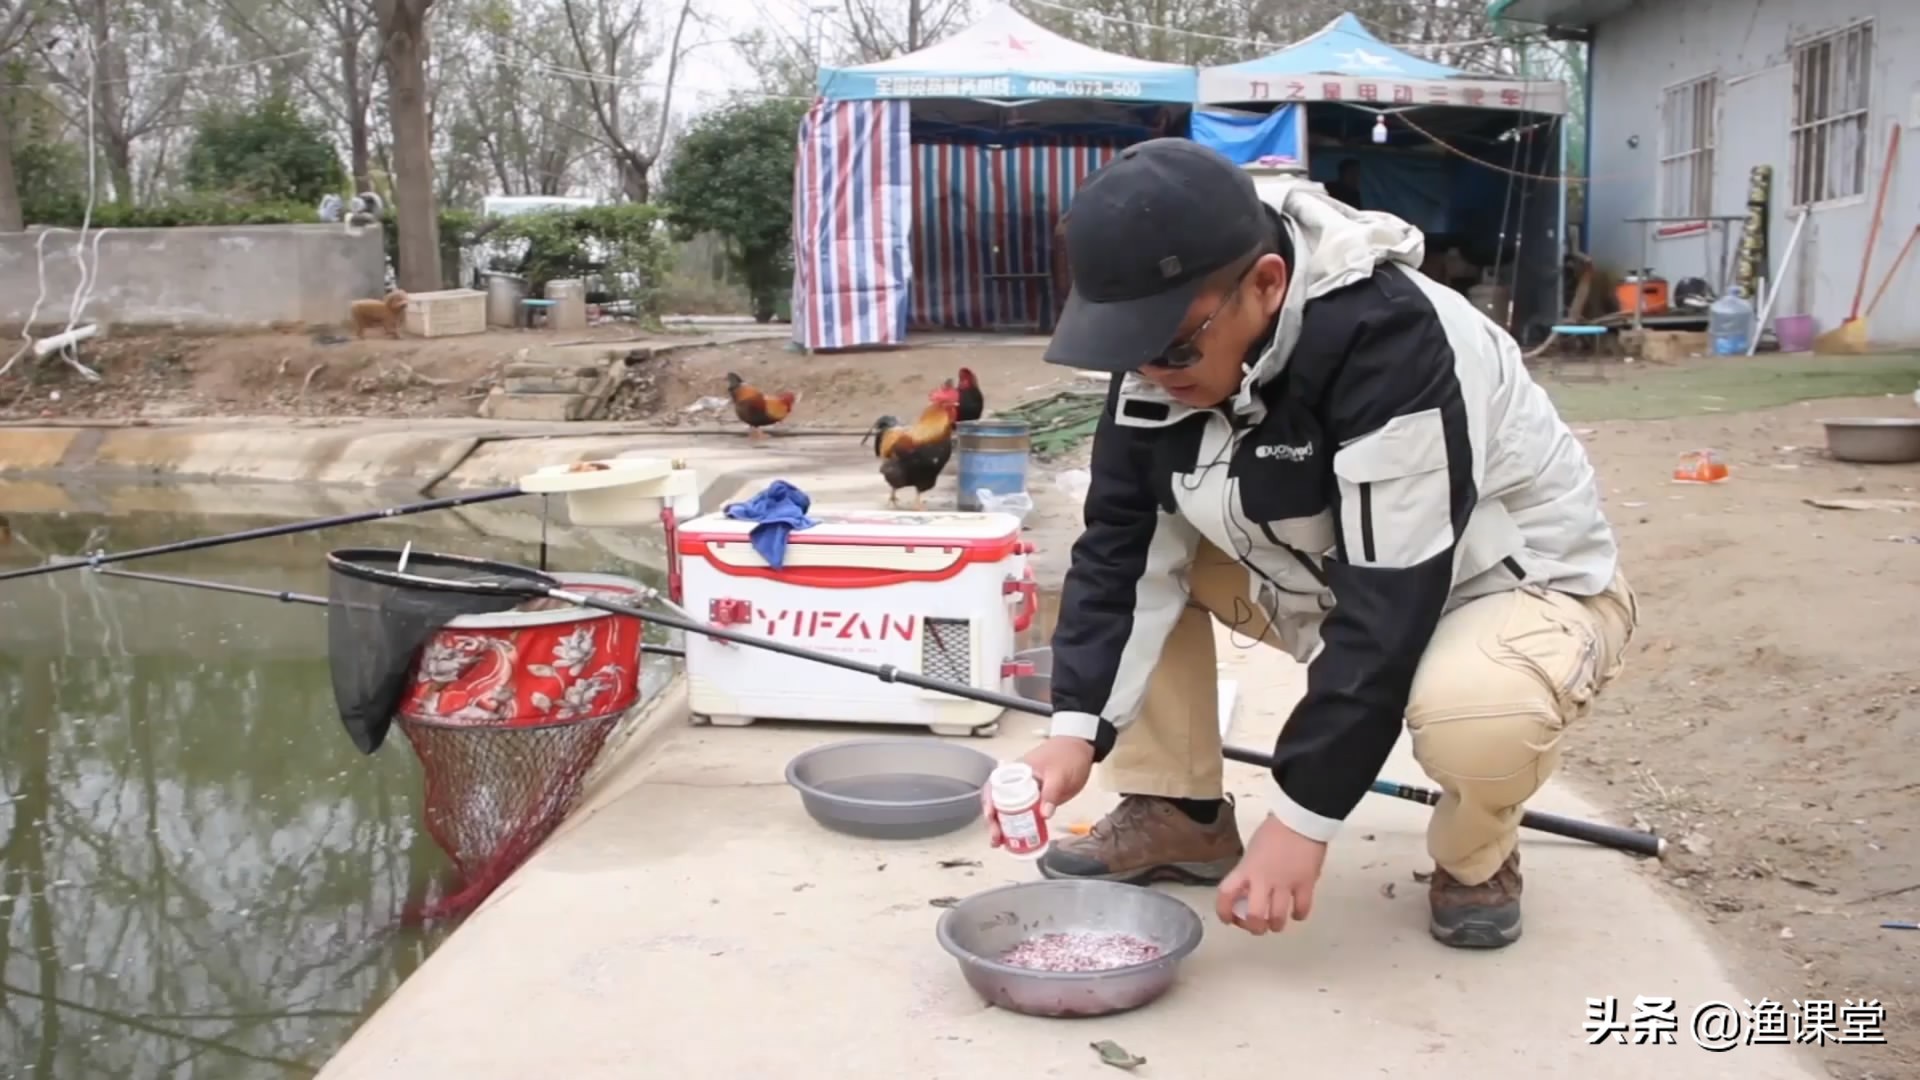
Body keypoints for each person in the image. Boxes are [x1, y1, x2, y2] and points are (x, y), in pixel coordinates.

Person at [985, 139, 1636, 951]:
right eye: (1128, 352)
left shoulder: (1392, 338)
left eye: (1175, 349)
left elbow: (1390, 594)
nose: (1151, 374)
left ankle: (1476, 856)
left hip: (1503, 581)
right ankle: (1177, 809)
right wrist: (1073, 732)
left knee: (1478, 711)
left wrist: (1302, 818)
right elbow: (1121, 550)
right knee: (1148, 556)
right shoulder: (1166, 341)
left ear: (1266, 284)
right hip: (1329, 565)